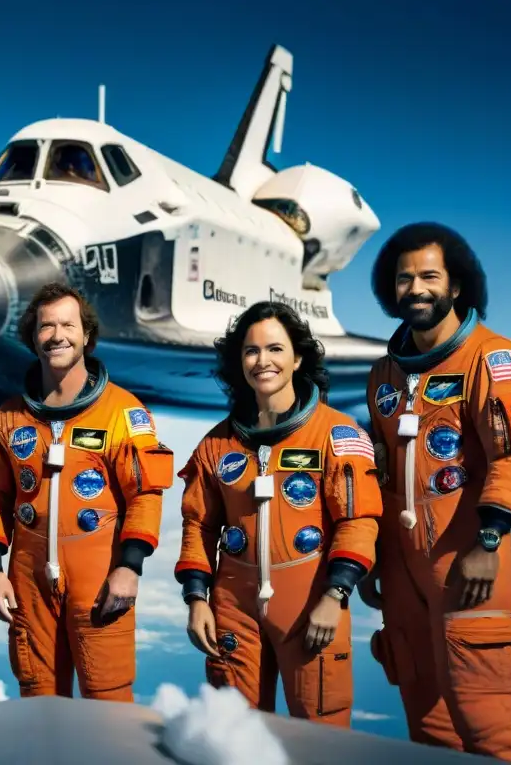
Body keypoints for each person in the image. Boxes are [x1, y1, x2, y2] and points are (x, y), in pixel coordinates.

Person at [359, 222, 511, 764]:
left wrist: (490, 539)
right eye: (403, 278)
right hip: (399, 569)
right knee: (426, 717)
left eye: (429, 276)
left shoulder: (492, 358)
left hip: (466, 559)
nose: (415, 288)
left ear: (456, 286)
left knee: (486, 718)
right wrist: (375, 559)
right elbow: (384, 475)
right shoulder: (383, 376)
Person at [174, 301, 382, 727]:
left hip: (310, 603)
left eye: (275, 349)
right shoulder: (217, 445)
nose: (262, 361)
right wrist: (197, 599)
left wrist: (335, 595)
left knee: (321, 738)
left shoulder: (337, 434)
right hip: (233, 604)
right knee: (233, 734)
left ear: (298, 357)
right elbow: (199, 524)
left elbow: (358, 521)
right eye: (251, 351)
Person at [0, 282, 175, 701]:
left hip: (101, 574)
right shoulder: (10, 416)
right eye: (46, 326)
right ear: (33, 338)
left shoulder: (124, 412)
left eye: (68, 324)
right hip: (28, 577)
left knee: (109, 698)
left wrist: (130, 567)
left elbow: (145, 494)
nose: (57, 335)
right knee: (37, 696)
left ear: (86, 335)